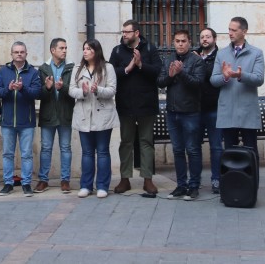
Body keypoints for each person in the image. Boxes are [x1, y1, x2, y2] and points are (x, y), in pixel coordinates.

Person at [109, 20, 162, 196]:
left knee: (146, 142)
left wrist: (140, 65)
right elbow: (110, 74)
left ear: (137, 33)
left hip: (147, 104)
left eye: (127, 32)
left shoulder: (150, 49)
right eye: (123, 32)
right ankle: (125, 179)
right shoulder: (117, 51)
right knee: (126, 142)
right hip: (125, 104)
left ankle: (148, 179)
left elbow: (158, 72)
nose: (124, 35)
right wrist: (128, 68)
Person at [158, 30, 205, 199]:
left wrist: (182, 73)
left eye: (183, 41)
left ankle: (194, 186)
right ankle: (180, 185)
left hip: (191, 113)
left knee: (192, 150)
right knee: (177, 150)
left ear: (189, 42)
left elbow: (198, 83)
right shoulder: (169, 59)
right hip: (172, 112)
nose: (180, 44)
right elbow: (160, 81)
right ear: (173, 43)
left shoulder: (197, 61)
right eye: (177, 41)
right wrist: (170, 77)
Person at [69, 39, 117, 198]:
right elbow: (71, 90)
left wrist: (98, 90)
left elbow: (112, 90)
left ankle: (102, 186)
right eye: (84, 48)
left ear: (96, 51)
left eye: (88, 49)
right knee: (87, 152)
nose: (85, 51)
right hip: (84, 115)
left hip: (102, 115)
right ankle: (86, 185)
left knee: (102, 152)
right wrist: (82, 92)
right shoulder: (77, 68)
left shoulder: (107, 67)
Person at [208, 17, 265, 149]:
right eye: (229, 29)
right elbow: (213, 80)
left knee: (251, 151)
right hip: (227, 111)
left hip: (248, 111)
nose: (230, 33)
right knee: (230, 153)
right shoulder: (221, 54)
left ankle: (252, 171)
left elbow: (259, 79)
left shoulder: (256, 53)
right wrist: (225, 77)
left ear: (244, 31)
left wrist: (241, 75)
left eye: (234, 30)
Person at [0, 41, 42, 197]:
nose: (19, 54)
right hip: (8, 121)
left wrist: (23, 89)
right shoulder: (3, 71)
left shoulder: (33, 72)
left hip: (26, 122)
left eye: (22, 52)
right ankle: (8, 183)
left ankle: (26, 183)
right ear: (11, 54)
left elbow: (37, 93)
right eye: (16, 52)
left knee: (26, 154)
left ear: (26, 54)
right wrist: (8, 89)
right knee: (7, 153)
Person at [36, 37, 74, 193]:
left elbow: (74, 92)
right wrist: (48, 88)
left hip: (65, 114)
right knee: (46, 148)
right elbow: (38, 94)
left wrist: (62, 87)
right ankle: (43, 180)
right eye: (62, 48)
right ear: (53, 50)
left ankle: (65, 180)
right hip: (48, 115)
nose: (65, 51)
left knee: (65, 148)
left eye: (66, 48)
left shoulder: (72, 68)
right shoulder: (43, 69)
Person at [195, 27, 224, 193]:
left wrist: (199, 63)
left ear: (214, 39)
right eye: (202, 37)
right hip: (196, 108)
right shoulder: (194, 55)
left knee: (216, 146)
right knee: (194, 146)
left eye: (207, 37)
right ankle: (196, 180)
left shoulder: (221, 56)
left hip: (215, 107)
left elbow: (214, 78)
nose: (204, 39)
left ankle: (217, 179)